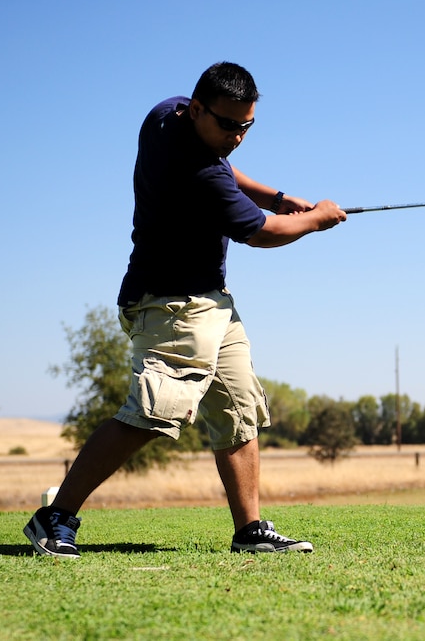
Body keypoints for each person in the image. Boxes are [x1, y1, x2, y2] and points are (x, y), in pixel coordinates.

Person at [24, 62, 346, 558]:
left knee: (238, 409)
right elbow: (262, 233)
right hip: (169, 302)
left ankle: (250, 529)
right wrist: (317, 219)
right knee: (153, 412)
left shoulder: (166, 115)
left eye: (247, 126)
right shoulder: (197, 170)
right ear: (198, 109)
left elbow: (230, 169)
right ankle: (55, 516)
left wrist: (277, 197)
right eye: (228, 125)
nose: (237, 137)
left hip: (212, 301)